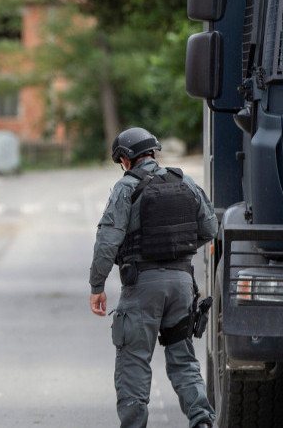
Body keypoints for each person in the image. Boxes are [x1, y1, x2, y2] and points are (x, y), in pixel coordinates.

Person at [89, 128, 217, 428]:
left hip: (143, 287)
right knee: (183, 359)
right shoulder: (185, 182)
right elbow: (209, 228)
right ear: (153, 153)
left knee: (133, 362)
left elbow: (108, 242)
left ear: (125, 159)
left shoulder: (126, 188)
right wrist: (179, 248)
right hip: (183, 286)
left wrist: (97, 285)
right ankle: (202, 421)